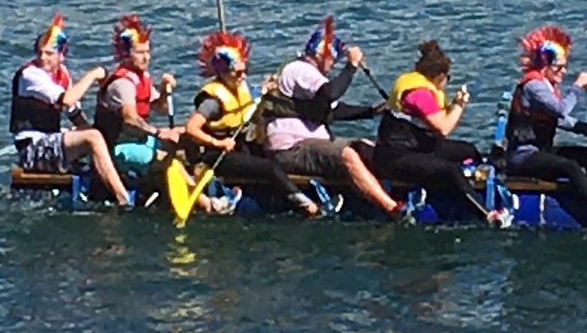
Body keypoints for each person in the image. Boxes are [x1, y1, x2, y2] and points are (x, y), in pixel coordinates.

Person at [262, 16, 406, 218]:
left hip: (310, 144)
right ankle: (391, 208)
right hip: (290, 148)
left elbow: (335, 110)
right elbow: (331, 93)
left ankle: (400, 183)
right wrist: (351, 66)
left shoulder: (310, 81)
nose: (331, 65)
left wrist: (371, 111)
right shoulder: (299, 69)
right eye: (332, 60)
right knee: (346, 154)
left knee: (365, 146)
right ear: (321, 54)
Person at [94, 14, 233, 214]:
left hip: (141, 140)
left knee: (185, 139)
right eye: (140, 52)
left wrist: (164, 90)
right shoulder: (122, 84)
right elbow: (131, 119)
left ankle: (200, 179)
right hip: (118, 147)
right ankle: (206, 203)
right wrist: (158, 133)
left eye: (148, 51)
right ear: (126, 54)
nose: (146, 57)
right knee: (166, 157)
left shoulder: (141, 77)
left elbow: (160, 108)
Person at [183, 31, 321, 217]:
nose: (243, 77)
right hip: (219, 154)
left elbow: (251, 108)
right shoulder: (213, 101)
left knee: (274, 157)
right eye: (238, 73)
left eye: (245, 70)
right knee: (269, 168)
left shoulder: (240, 87)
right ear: (223, 72)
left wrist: (264, 92)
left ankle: (292, 188)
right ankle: (306, 204)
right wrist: (218, 143)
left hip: (241, 146)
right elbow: (191, 128)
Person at [374, 40, 510, 226]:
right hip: (395, 157)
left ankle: (480, 178)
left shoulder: (418, 83)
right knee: (450, 170)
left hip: (417, 146)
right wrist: (460, 105)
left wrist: (453, 105)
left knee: (468, 149)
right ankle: (485, 213)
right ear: (440, 76)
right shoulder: (419, 94)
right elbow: (444, 127)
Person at [504, 25, 587, 227]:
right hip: (523, 156)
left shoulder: (547, 86)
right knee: (570, 167)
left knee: (585, 156)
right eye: (559, 67)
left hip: (542, 151)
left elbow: (560, 121)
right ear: (545, 65)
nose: (563, 71)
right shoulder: (534, 86)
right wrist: (577, 87)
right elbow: (561, 109)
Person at [10, 13, 130, 205]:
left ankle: (110, 183)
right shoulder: (31, 75)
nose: (42, 58)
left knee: (96, 134)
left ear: (61, 55)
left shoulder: (62, 74)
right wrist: (93, 75)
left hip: (50, 140)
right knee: (92, 138)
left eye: (49, 54)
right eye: (40, 53)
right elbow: (67, 100)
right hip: (32, 149)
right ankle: (123, 198)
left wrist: (99, 132)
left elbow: (74, 114)